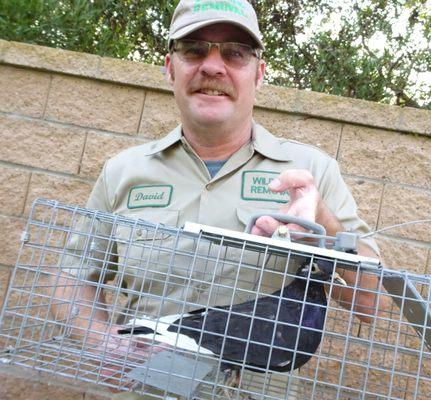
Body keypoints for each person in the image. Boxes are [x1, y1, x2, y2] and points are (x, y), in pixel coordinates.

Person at [53, 0, 385, 398]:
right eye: (194, 49)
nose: (212, 66)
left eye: (235, 53)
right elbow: (73, 277)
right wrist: (103, 344)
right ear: (169, 67)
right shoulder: (122, 172)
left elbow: (372, 304)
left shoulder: (311, 172)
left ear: (258, 74)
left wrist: (323, 229)